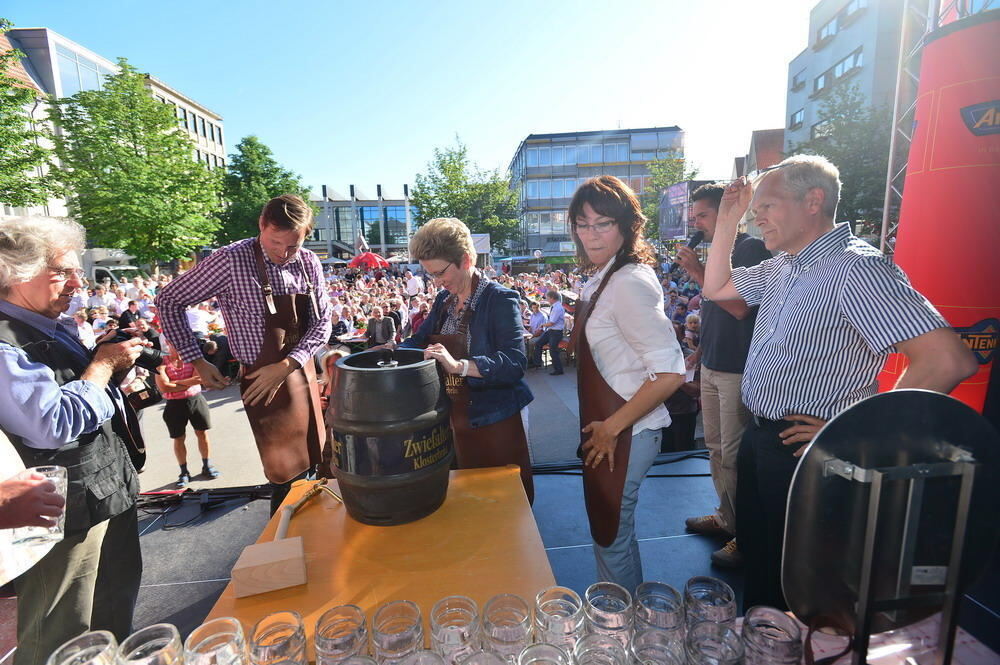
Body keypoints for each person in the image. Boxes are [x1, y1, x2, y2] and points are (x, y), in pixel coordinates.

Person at [702, 155, 977, 610]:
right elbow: (717, 289)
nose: (757, 215)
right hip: (763, 441)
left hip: (807, 453)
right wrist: (727, 220)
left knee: (807, 591)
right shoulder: (785, 266)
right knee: (767, 575)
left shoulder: (855, 268)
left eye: (767, 205)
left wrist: (857, 434)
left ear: (814, 201)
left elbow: (948, 360)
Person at [0, 216, 149, 664]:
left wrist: (108, 371)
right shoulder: (6, 342)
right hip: (64, 513)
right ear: (16, 273)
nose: (78, 283)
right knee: (62, 635)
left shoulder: (48, 324)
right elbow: (52, 423)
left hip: (102, 492)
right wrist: (102, 367)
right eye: (63, 271)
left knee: (110, 614)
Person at [157, 194, 332, 514]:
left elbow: (323, 324)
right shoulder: (230, 259)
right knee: (284, 475)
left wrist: (288, 364)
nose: (283, 253)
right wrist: (196, 358)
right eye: (275, 242)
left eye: (293, 245)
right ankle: (282, 550)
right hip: (262, 381)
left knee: (316, 462)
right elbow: (169, 301)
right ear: (261, 225)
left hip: (301, 372)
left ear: (306, 233)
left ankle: (311, 541)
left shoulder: (308, 261)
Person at [568, 176, 685, 590]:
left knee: (611, 533)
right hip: (608, 428)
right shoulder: (602, 277)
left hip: (625, 432)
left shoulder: (629, 281)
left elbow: (671, 371)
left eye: (602, 223)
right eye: (583, 224)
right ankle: (624, 615)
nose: (591, 234)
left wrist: (611, 428)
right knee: (611, 532)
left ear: (626, 226)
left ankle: (620, 629)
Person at [393, 217, 535, 502]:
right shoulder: (443, 301)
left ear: (466, 260)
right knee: (469, 502)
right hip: (456, 416)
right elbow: (418, 341)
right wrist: (389, 351)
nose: (437, 282)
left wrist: (461, 366)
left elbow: (515, 361)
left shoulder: (500, 299)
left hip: (497, 419)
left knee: (506, 504)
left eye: (440, 273)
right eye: (430, 274)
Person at [676, 182, 772, 567]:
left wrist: (699, 272)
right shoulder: (717, 254)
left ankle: (745, 535)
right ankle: (727, 517)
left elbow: (738, 309)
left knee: (733, 455)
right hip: (714, 365)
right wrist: (698, 354)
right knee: (715, 450)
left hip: (737, 368)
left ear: (725, 214)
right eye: (694, 216)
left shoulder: (748, 248)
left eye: (702, 215)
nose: (696, 223)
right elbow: (716, 317)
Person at [155, 344, 217, 487]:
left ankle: (207, 465)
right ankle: (184, 471)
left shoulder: (193, 359)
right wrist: (185, 383)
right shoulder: (161, 362)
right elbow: (163, 386)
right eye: (174, 343)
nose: (178, 346)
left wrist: (174, 384)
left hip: (195, 400)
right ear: (168, 344)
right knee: (178, 438)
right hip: (174, 404)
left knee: (202, 433)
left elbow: (198, 379)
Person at [532, 290, 567, 375]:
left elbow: (552, 322)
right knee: (538, 344)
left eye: (547, 298)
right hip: (551, 330)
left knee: (553, 351)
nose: (547, 299)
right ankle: (537, 363)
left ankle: (559, 370)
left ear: (552, 298)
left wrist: (542, 325)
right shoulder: (555, 306)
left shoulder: (557, 308)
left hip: (556, 332)